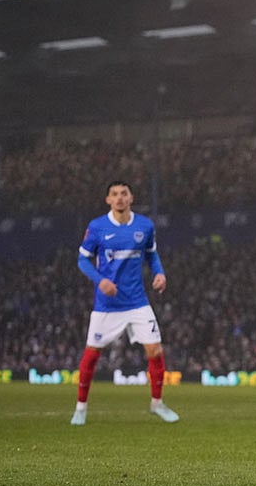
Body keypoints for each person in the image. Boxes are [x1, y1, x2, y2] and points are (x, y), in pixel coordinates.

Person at [70, 180, 179, 425]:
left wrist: (159, 273)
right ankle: (81, 408)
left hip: (137, 302)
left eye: (123, 193)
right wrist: (100, 281)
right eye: (114, 194)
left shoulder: (145, 225)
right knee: (92, 354)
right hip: (107, 305)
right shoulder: (97, 227)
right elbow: (82, 260)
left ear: (131, 198)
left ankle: (157, 404)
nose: (119, 198)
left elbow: (151, 254)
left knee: (155, 350)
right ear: (108, 200)